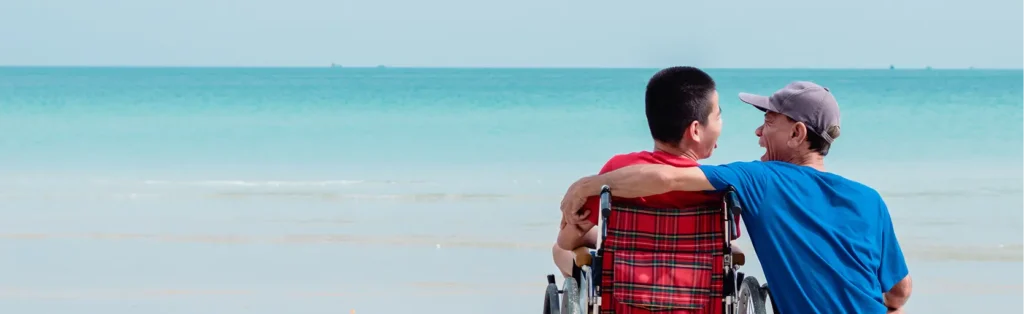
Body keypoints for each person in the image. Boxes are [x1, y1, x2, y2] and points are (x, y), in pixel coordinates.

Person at [560, 81, 912, 314]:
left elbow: (664, 176)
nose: (758, 132)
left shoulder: (761, 180)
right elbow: (899, 295)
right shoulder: (870, 199)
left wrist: (586, 187)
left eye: (769, 121)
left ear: (797, 133)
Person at [552, 66, 741, 314]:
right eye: (718, 116)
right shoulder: (715, 186)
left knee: (560, 251)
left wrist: (578, 228)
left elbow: (567, 241)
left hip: (625, 298)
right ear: (696, 130)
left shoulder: (618, 170)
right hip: (696, 298)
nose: (721, 123)